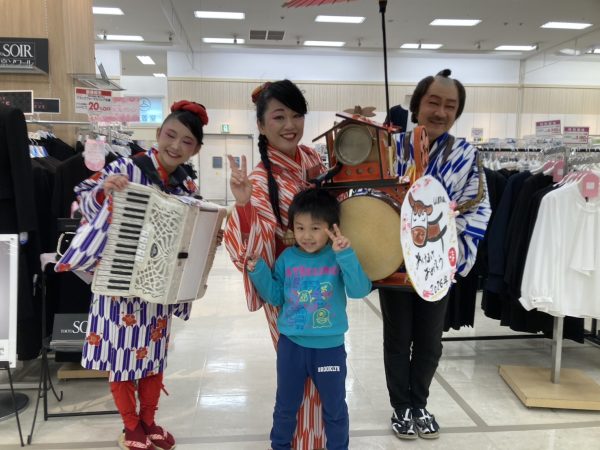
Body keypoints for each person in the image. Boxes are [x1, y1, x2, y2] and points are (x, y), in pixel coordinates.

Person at [57, 100, 209, 450]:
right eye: (170, 135)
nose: (176, 146)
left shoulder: (186, 186)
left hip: (158, 284)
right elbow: (81, 203)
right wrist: (104, 190)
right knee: (122, 356)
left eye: (187, 141)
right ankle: (130, 426)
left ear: (196, 149)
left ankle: (149, 421)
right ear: (158, 133)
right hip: (119, 278)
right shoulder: (126, 166)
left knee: (153, 356)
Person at [380, 69, 491, 440]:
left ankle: (419, 404)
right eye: (433, 102)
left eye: (450, 106)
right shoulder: (390, 148)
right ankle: (400, 406)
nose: (441, 112)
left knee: (429, 341)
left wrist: (452, 245)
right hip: (395, 260)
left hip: (437, 261)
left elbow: (480, 206)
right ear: (417, 105)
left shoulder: (466, 155)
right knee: (398, 338)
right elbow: (371, 200)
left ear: (457, 112)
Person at [223, 79, 329, 449]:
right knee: (301, 372)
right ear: (261, 125)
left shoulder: (311, 160)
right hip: (287, 290)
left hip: (323, 283)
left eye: (297, 115)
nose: (290, 125)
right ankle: (303, 442)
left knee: (324, 369)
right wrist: (244, 206)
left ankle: (316, 439)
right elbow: (248, 242)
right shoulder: (259, 179)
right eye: (279, 116)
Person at [246, 188, 371, 450]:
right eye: (300, 227)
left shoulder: (337, 257)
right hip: (291, 346)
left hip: (330, 348)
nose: (306, 236)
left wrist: (345, 255)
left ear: (331, 228)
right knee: (285, 405)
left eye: (315, 228)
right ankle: (279, 446)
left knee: (335, 407)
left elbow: (359, 290)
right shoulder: (287, 258)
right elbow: (276, 296)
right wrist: (258, 271)